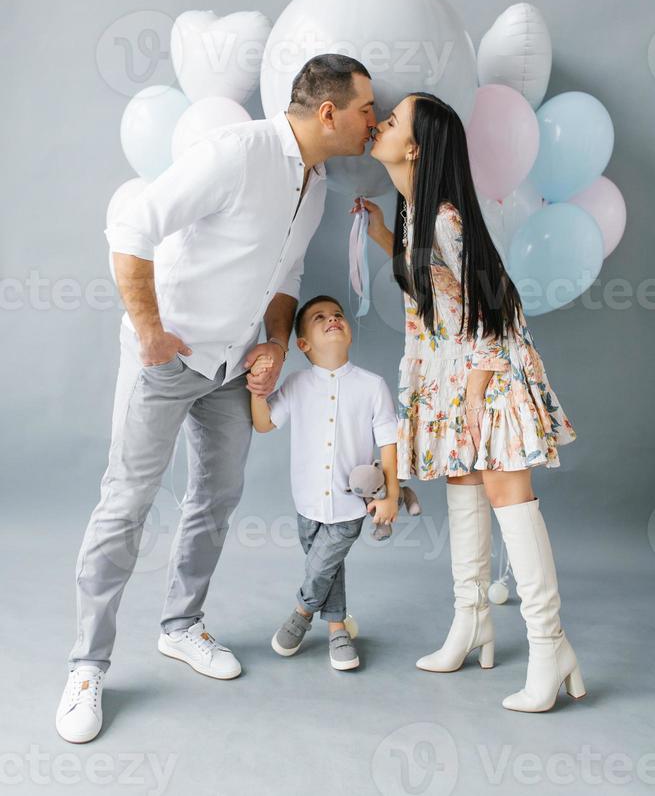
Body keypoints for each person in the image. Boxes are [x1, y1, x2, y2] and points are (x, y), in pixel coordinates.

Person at [56, 55, 378, 743]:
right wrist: (147, 329)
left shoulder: (315, 183)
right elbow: (131, 227)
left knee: (218, 495)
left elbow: (286, 273)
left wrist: (275, 343)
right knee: (127, 502)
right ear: (328, 112)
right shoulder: (238, 152)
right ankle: (86, 666)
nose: (370, 121)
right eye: (364, 109)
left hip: (233, 367)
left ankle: (180, 625)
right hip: (171, 362)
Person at [356, 91, 585, 713]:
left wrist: (479, 392)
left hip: (488, 370)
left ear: (415, 147)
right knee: (461, 486)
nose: (379, 122)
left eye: (393, 119)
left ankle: (550, 645)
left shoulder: (446, 219)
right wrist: (383, 239)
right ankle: (472, 619)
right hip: (448, 374)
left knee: (507, 495)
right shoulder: (411, 215)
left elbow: (495, 303)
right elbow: (434, 283)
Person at [250, 296, 399, 671]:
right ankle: (337, 629)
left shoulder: (372, 386)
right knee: (329, 568)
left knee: (321, 566)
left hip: (352, 504)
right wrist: (256, 392)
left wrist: (392, 495)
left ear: (347, 331)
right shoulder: (298, 384)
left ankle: (300, 613)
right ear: (303, 344)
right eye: (319, 318)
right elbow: (265, 423)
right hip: (306, 502)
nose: (332, 319)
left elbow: (389, 443)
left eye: (337, 315)